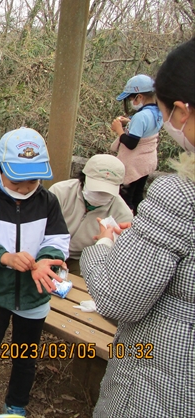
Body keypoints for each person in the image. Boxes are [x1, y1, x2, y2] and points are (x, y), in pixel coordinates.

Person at [81, 39, 195, 416]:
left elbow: (119, 298)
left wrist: (103, 246)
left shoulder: (180, 196)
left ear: (180, 112)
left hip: (163, 383)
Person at [0, 128, 69, 418]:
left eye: (32, 180)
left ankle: (16, 406)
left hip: (34, 295)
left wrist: (46, 260)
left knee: (25, 357)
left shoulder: (48, 202)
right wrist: (4, 257)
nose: (24, 187)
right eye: (16, 181)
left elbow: (57, 241)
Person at [49, 154, 133, 275]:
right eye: (96, 190)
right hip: (49, 248)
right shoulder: (60, 192)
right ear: (83, 179)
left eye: (106, 192)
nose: (100, 195)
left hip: (81, 258)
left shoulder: (122, 214)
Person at [110, 74, 162, 214]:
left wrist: (119, 130)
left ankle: (125, 221)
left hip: (135, 163)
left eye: (131, 98)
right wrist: (129, 122)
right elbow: (146, 130)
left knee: (125, 197)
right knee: (138, 196)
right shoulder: (158, 112)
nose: (131, 101)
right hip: (147, 162)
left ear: (139, 97)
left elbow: (131, 143)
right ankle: (139, 220)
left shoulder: (140, 116)